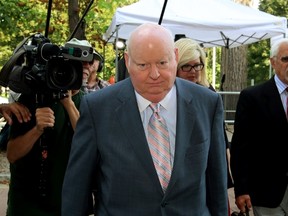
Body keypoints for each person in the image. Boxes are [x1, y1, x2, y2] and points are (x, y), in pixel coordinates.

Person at [62, 23, 228, 216]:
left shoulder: (207, 103)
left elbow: (217, 183)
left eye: (162, 63)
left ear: (175, 57)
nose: (154, 74)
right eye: (143, 65)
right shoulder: (98, 108)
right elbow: (77, 186)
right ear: (127, 61)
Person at [5, 37, 87, 214]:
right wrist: (36, 130)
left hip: (66, 204)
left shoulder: (86, 103)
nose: (82, 70)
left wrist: (68, 103)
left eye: (85, 66)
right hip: (26, 206)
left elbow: (89, 143)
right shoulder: (30, 99)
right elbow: (12, 155)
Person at [230, 38, 288, 216]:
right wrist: (241, 189)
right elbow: (240, 149)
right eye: (286, 59)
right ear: (273, 62)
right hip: (267, 195)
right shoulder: (252, 97)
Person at [174, 37, 234, 189]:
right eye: (186, 66)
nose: (193, 71)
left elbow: (220, 141)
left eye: (197, 65)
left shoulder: (209, 95)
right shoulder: (166, 96)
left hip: (207, 174)